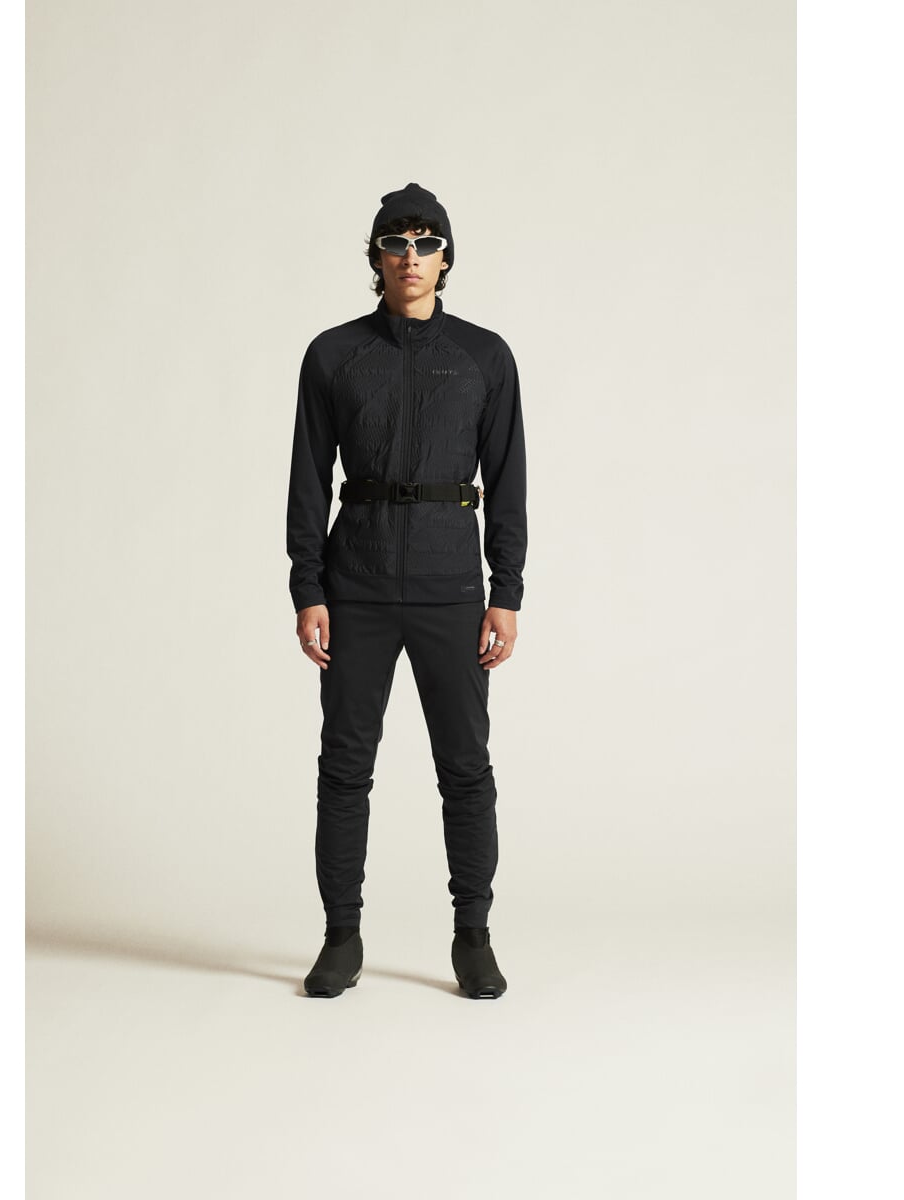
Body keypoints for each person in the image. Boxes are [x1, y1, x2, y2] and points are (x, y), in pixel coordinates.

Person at [285, 182, 528, 999]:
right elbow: (308, 479)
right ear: (377, 257)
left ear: (446, 258)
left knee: (465, 767)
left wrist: (506, 591)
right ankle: (341, 936)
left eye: (426, 244)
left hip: (451, 586)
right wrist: (308, 586)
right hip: (353, 584)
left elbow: (508, 478)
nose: (411, 257)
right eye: (396, 243)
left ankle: (473, 937)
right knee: (344, 767)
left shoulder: (485, 357)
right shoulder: (333, 355)